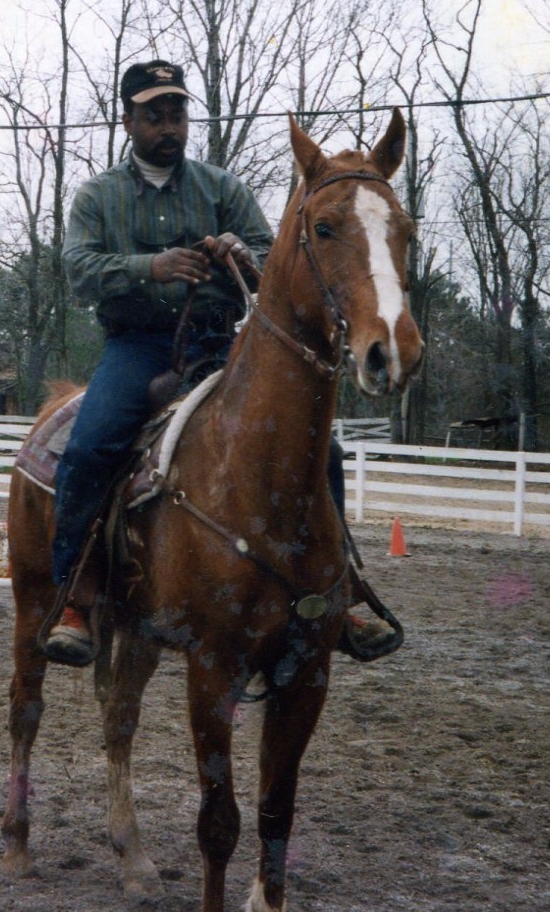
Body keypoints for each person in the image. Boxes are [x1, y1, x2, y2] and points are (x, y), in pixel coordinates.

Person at [43, 60, 400, 667]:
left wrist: (244, 250)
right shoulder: (98, 196)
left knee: (325, 453)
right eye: (154, 113)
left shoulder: (222, 189)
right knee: (90, 446)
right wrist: (147, 268)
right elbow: (77, 267)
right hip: (138, 347)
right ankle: (75, 596)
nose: (169, 125)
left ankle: (343, 590)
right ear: (128, 120)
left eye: (177, 113)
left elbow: (278, 254)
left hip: (220, 347)